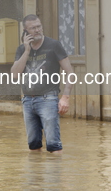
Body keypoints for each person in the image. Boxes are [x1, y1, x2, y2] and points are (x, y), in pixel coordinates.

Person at [11, 14, 75, 154]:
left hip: (48, 99)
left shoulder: (54, 45)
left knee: (54, 146)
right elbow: (15, 75)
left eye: (39, 26)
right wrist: (27, 50)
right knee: (33, 146)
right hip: (27, 100)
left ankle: (54, 175)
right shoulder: (22, 50)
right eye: (33, 28)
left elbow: (70, 73)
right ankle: (37, 175)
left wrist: (65, 98)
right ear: (25, 31)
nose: (37, 30)